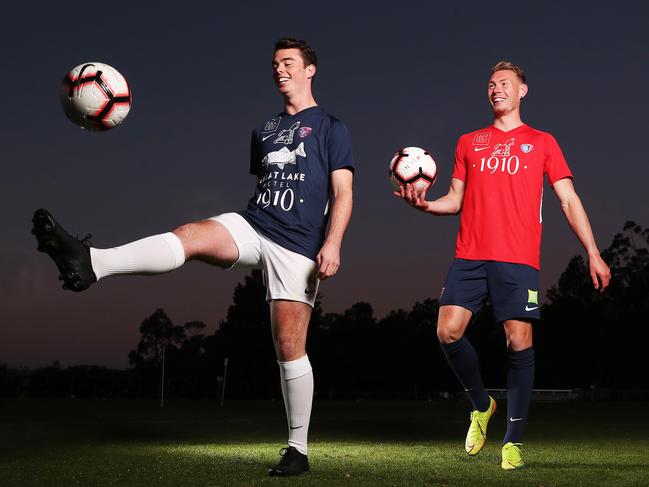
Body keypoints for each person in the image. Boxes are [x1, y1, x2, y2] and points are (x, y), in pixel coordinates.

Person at [32, 38, 355, 477]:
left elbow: (342, 192)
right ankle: (93, 263)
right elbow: (266, 184)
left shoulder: (332, 127)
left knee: (288, 346)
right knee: (190, 234)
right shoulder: (264, 131)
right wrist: (253, 242)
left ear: (309, 70)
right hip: (256, 223)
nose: (280, 70)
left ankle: (297, 449)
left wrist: (332, 242)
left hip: (299, 243)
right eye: (276, 64)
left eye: (289, 63)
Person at [395, 61, 610, 470]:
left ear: (522, 91)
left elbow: (568, 199)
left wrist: (593, 251)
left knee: (519, 343)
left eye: (505, 84)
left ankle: (512, 441)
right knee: (447, 331)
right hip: (470, 254)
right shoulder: (468, 142)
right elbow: (455, 200)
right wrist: (425, 204)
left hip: (518, 257)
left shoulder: (543, 142)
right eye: (492, 84)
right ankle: (482, 405)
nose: (497, 89)